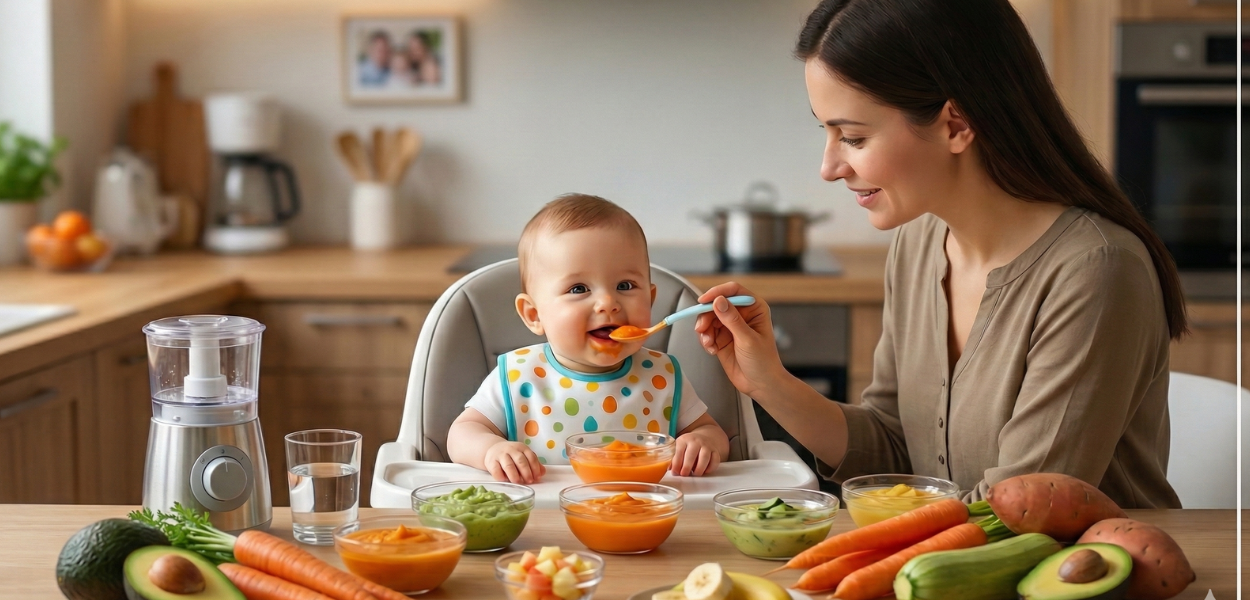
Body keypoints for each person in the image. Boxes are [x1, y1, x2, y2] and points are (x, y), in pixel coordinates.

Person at [694, 0, 1185, 508]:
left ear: (955, 124)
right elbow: (893, 447)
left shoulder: (1096, 271)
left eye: (854, 137)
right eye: (828, 132)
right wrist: (769, 383)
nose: (829, 166)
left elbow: (1017, 510)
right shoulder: (919, 243)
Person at [448, 194, 731, 484]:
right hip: (544, 517)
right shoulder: (518, 376)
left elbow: (713, 433)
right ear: (534, 314)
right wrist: (492, 450)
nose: (608, 303)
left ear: (650, 298)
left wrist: (702, 443)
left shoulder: (662, 376)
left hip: (640, 513)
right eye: (579, 288)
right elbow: (462, 433)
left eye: (625, 285)